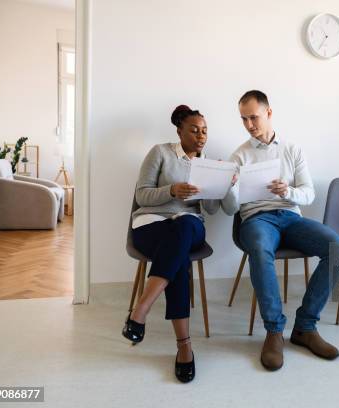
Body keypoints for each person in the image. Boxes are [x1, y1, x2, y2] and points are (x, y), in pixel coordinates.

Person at [221, 90, 339, 371]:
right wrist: (230, 186)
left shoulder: (292, 150)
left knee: (337, 247)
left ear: (268, 113)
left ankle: (305, 327)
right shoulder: (239, 156)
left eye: (253, 117)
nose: (249, 125)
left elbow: (309, 194)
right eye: (243, 119)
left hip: (290, 217)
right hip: (256, 219)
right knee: (259, 246)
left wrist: (288, 191)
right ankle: (274, 330)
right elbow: (230, 209)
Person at [122, 104, 234, 383]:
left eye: (205, 131)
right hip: (151, 225)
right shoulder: (160, 153)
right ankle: (185, 347)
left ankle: (141, 310)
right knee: (178, 258)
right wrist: (171, 190)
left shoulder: (209, 163)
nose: (201, 136)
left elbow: (215, 209)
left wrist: (228, 184)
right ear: (180, 131)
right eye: (194, 130)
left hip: (190, 226)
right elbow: (142, 195)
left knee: (183, 225)